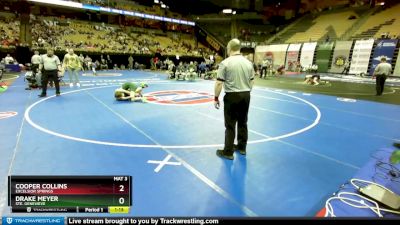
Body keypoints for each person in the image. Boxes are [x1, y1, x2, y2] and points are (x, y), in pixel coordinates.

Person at [214, 39, 255, 160]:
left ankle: (228, 152)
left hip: (232, 96)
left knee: (230, 124)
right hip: (246, 95)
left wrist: (216, 98)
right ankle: (242, 147)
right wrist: (246, 91)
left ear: (229, 48)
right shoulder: (249, 63)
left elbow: (219, 84)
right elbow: (252, 81)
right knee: (243, 122)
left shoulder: (225, 63)